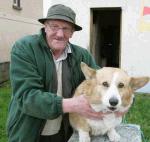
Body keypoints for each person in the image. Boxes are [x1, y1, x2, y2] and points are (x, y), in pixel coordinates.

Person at [7, 4, 125, 142]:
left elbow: (102, 82)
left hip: (65, 130)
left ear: (72, 32)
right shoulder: (25, 48)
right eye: (54, 26)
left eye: (66, 28)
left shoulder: (82, 55)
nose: (60, 34)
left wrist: (121, 100)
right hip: (27, 130)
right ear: (45, 26)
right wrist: (73, 104)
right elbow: (26, 97)